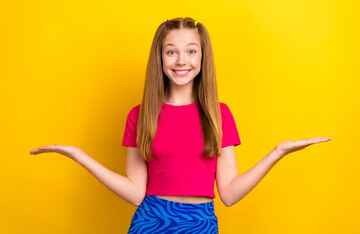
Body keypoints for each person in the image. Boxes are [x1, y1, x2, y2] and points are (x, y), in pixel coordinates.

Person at [29, 17, 332, 234]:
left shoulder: (218, 114)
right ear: (160, 58)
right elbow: (136, 192)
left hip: (201, 221)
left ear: (202, 57)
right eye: (171, 51)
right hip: (151, 219)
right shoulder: (141, 114)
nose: (180, 60)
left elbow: (229, 193)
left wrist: (277, 153)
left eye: (191, 51)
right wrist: (78, 155)